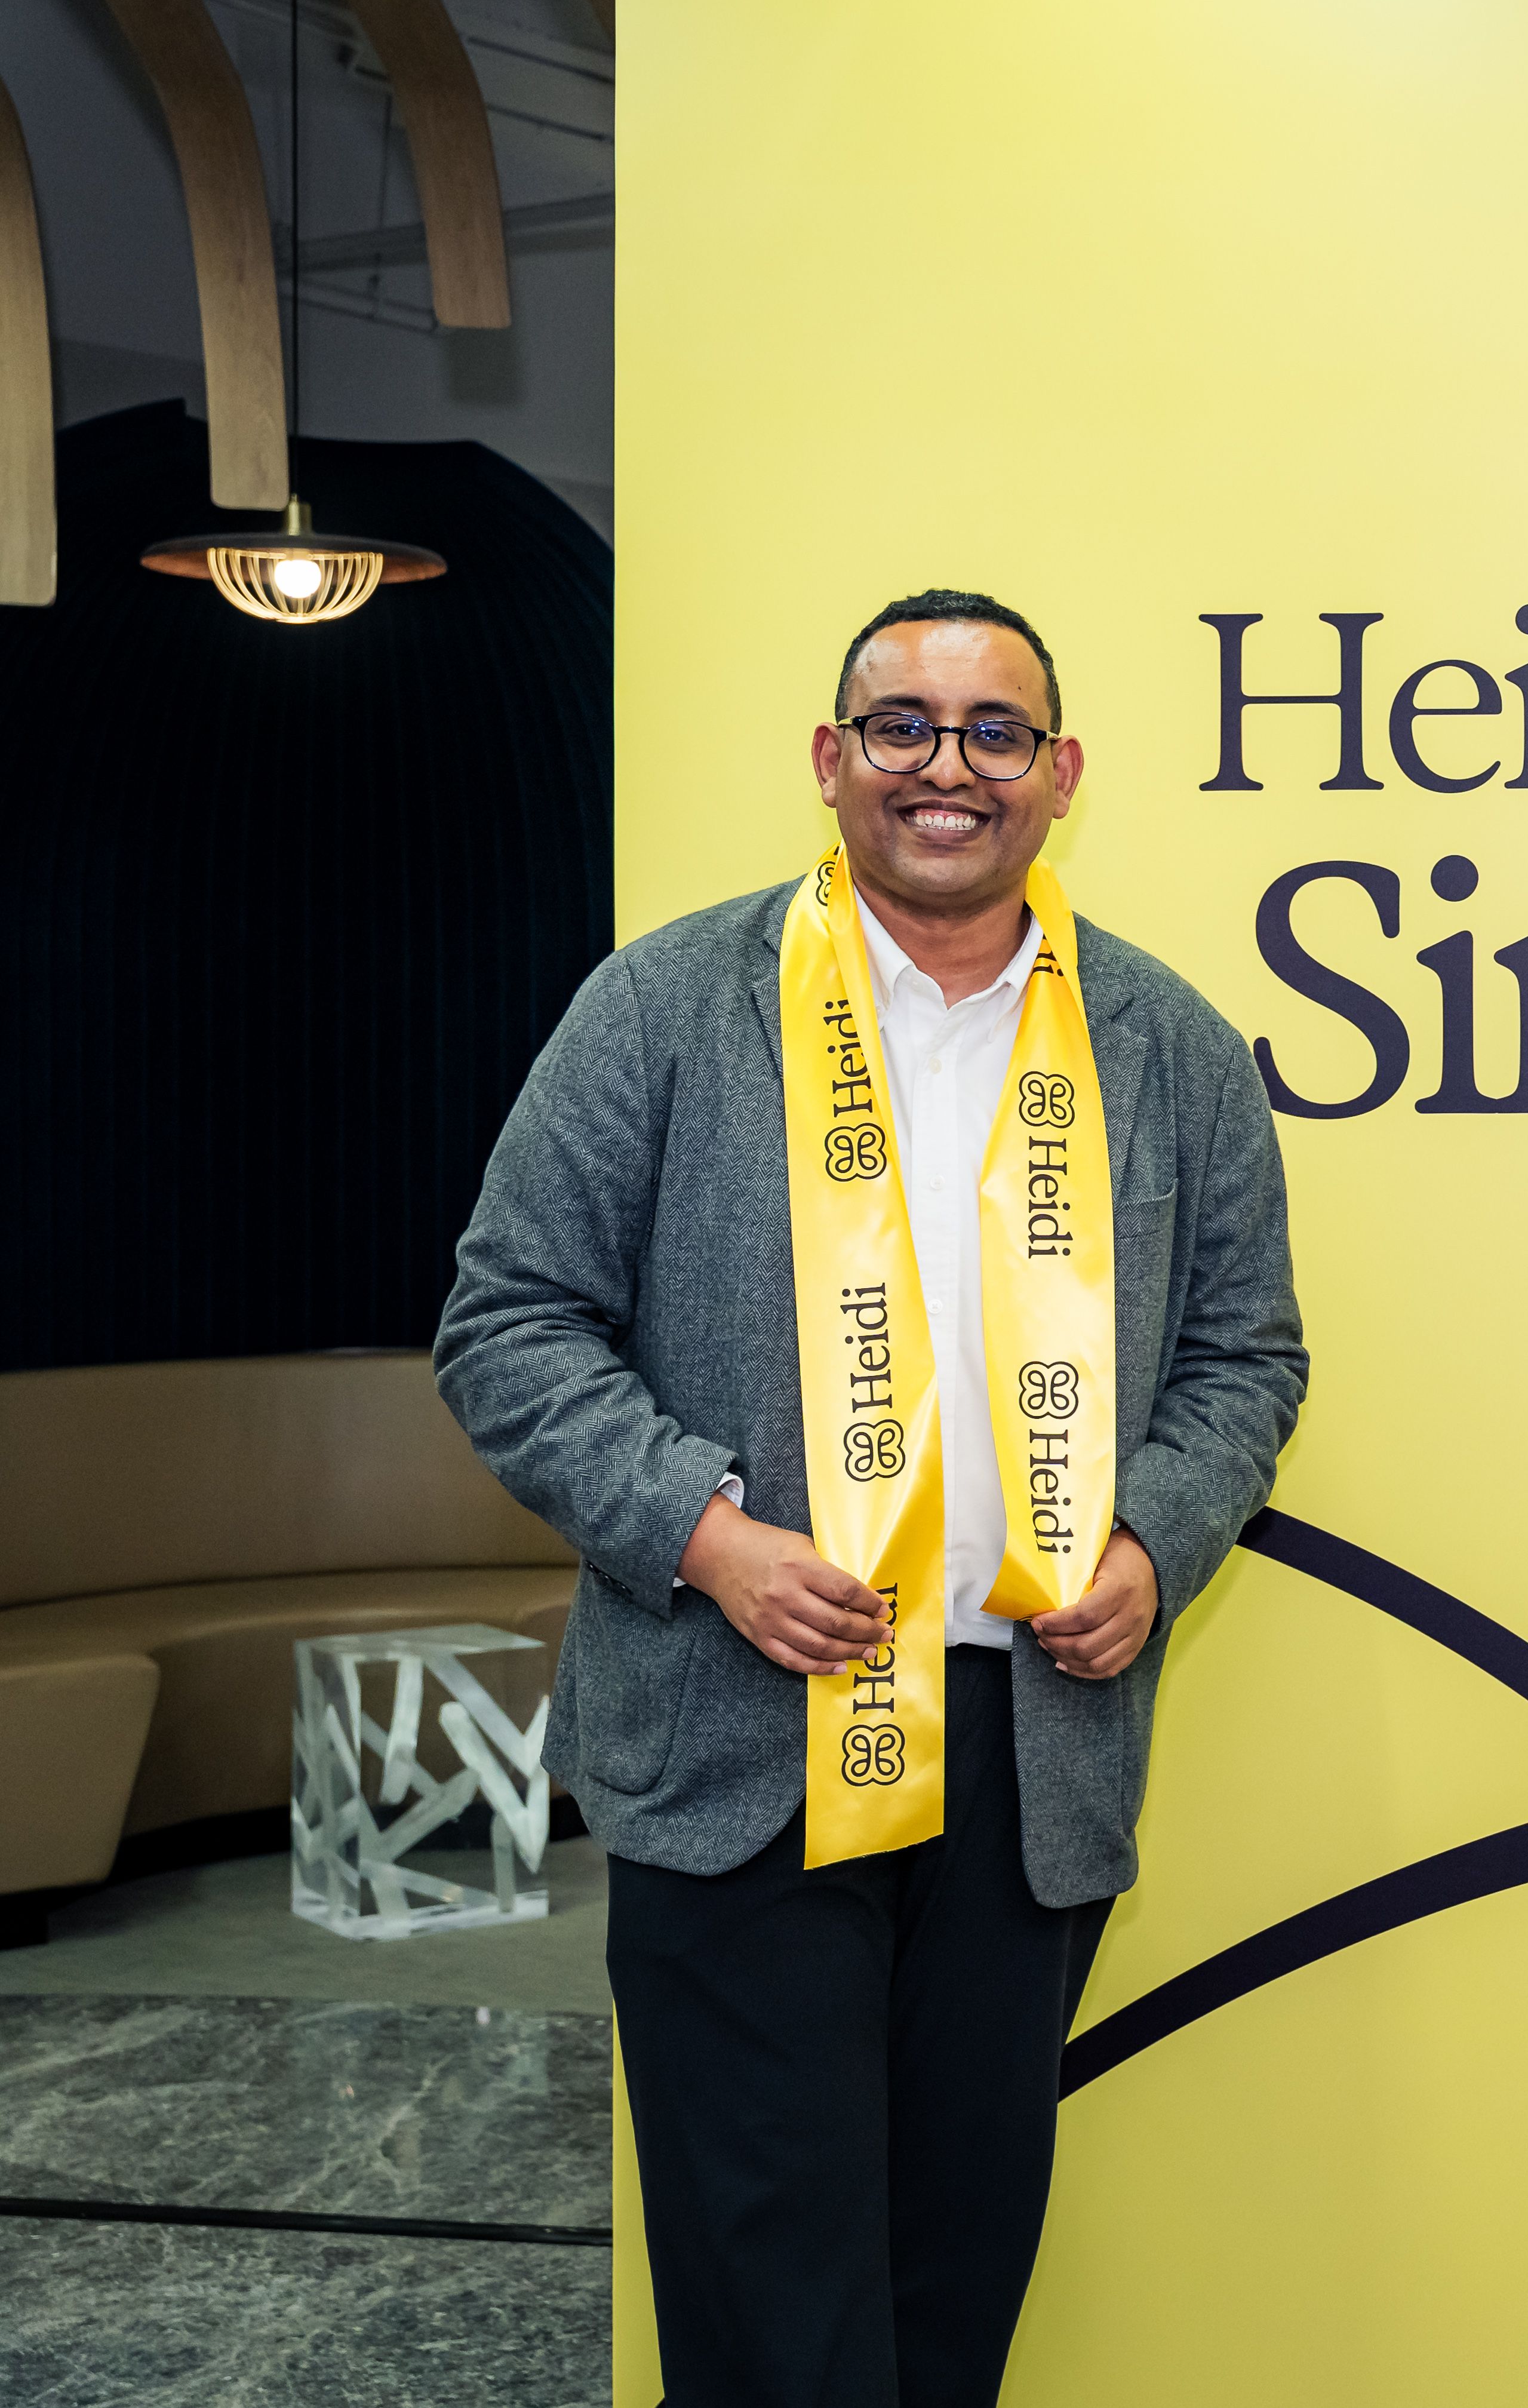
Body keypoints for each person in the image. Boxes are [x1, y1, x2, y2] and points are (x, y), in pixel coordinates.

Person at [435, 589, 1307, 2407]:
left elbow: (1247, 1357)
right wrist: (706, 1538)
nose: (946, 767)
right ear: (832, 761)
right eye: (902, 725)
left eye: (995, 732)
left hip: (1029, 1763)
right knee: (776, 2320)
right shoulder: (665, 1006)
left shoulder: (1167, 1043)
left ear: (1060, 774)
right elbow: (507, 1325)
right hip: (739, 1740)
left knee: (948, 2294)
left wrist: (1158, 1541)